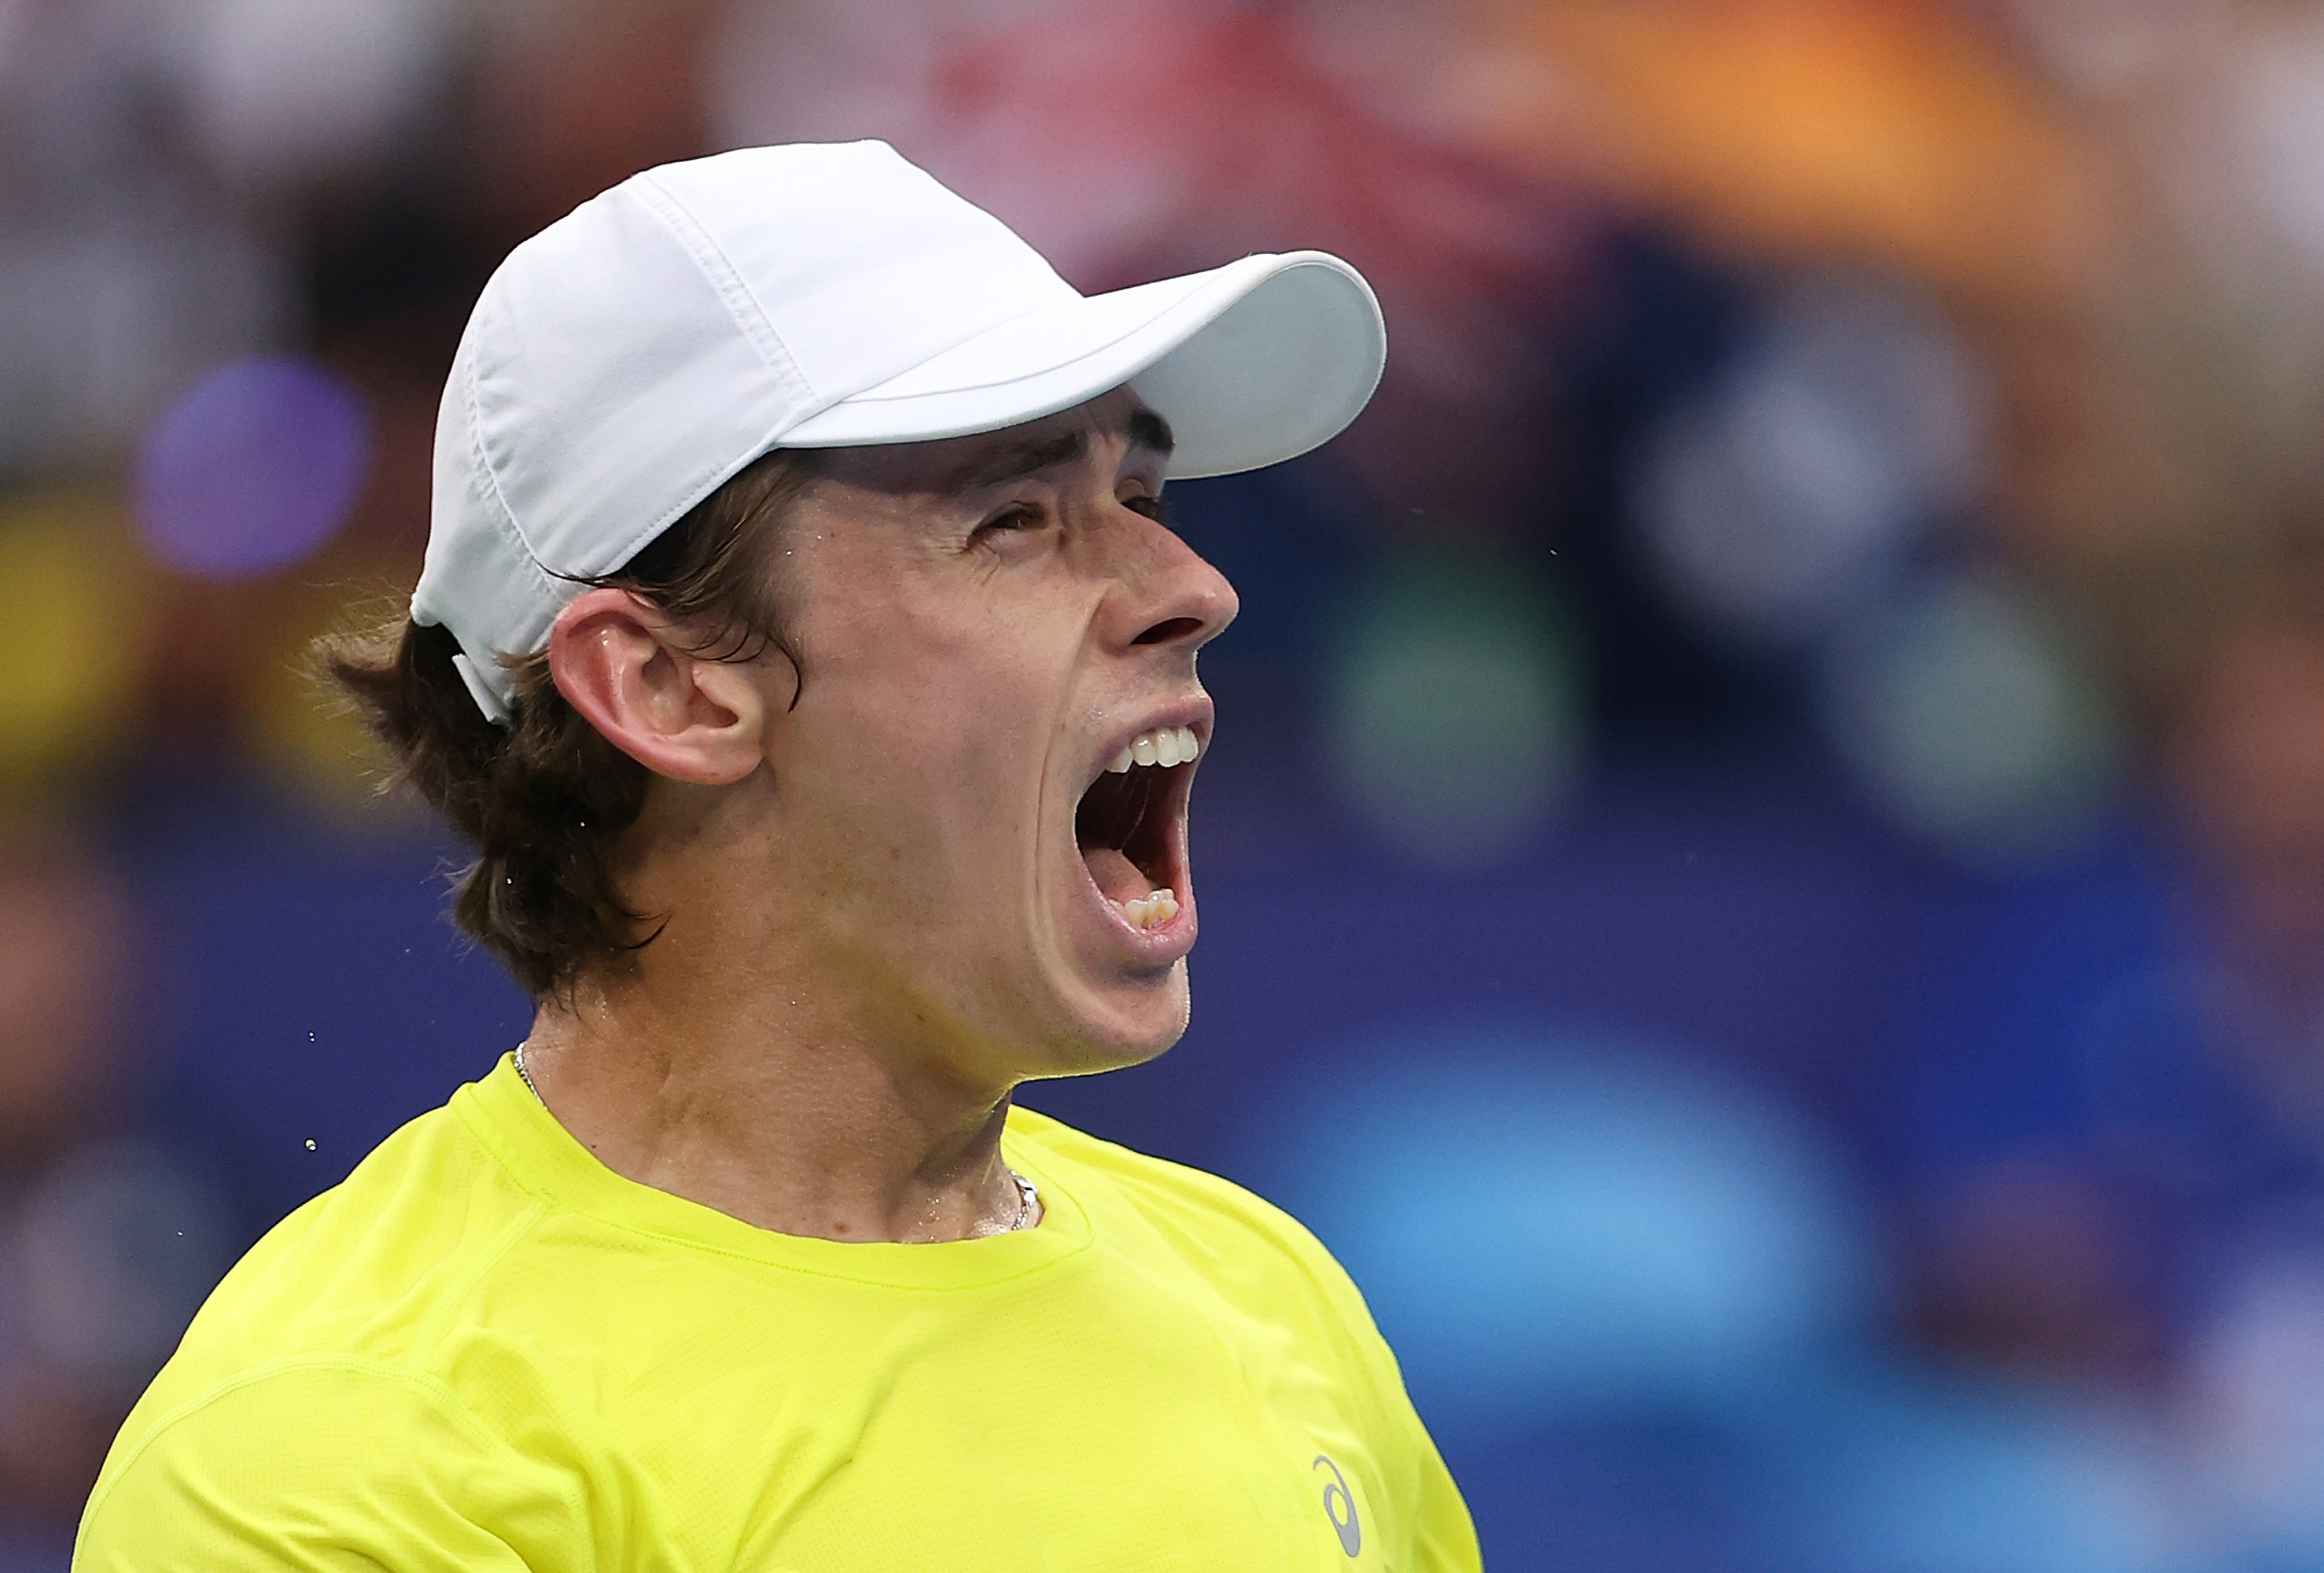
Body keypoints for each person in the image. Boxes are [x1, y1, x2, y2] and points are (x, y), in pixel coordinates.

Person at [74, 141, 1478, 1569]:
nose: (1196, 588)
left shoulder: (1269, 1295)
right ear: (668, 688)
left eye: (1145, 501)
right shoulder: (340, 1461)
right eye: (1013, 520)